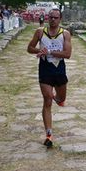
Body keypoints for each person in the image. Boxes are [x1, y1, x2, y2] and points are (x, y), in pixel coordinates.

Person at [27, 8, 72, 148]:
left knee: (61, 99)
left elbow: (67, 54)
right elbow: (29, 48)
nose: (53, 20)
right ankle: (49, 134)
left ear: (60, 19)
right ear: (47, 18)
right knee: (47, 100)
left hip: (59, 69)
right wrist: (39, 51)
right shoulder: (40, 32)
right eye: (51, 17)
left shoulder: (65, 34)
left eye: (56, 17)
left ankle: (58, 98)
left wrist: (51, 51)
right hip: (45, 68)